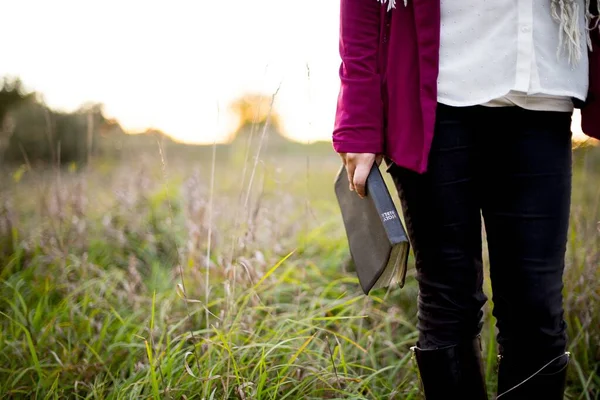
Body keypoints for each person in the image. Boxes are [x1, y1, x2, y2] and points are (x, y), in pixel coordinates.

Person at [332, 0, 600, 399]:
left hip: (544, 86)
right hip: (437, 89)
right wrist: (358, 116)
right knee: (448, 301)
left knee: (537, 310)